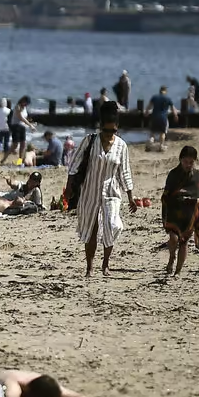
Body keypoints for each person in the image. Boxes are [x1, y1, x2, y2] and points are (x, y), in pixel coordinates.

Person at [66, 101, 138, 278]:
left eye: (113, 131)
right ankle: (90, 267)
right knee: (91, 229)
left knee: (113, 225)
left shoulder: (121, 146)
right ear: (100, 128)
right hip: (90, 191)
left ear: (117, 128)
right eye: (106, 131)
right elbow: (74, 165)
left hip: (112, 193)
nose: (109, 135)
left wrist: (131, 196)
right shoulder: (89, 141)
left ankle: (105, 264)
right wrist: (69, 188)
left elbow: (124, 171)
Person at [162, 146, 199, 277]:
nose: (188, 165)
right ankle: (171, 258)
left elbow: (197, 193)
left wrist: (187, 195)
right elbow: (167, 193)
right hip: (174, 211)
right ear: (180, 160)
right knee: (173, 238)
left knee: (184, 242)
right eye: (186, 161)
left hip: (189, 213)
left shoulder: (197, 174)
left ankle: (178, 271)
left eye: (191, 162)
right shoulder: (173, 174)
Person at [4, 96, 37, 164]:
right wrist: (30, 125)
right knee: (15, 145)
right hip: (16, 126)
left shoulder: (24, 108)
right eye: (26, 103)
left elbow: (25, 117)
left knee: (23, 144)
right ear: (22, 101)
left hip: (22, 126)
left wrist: (31, 123)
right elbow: (20, 117)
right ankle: (4, 159)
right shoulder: (17, 107)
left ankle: (20, 161)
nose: (26, 105)